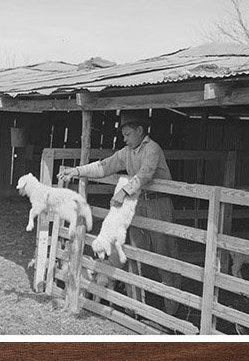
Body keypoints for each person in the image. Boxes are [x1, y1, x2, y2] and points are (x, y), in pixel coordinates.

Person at [61, 111, 182, 317]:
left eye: (127, 134)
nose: (124, 139)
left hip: (158, 204)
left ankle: (171, 311)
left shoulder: (152, 149)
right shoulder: (127, 152)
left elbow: (146, 173)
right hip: (138, 204)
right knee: (133, 250)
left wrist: (123, 191)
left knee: (164, 251)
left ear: (140, 131)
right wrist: (78, 171)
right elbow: (104, 166)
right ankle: (135, 306)